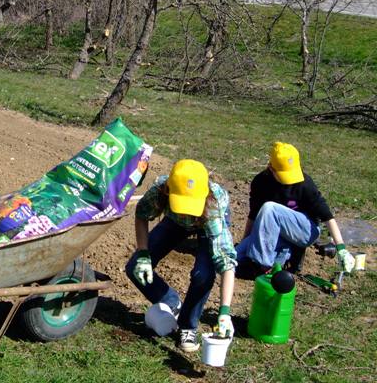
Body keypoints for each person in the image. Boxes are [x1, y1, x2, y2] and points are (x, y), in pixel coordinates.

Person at [126, 159, 236, 353]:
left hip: (205, 221)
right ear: (169, 190)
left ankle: (187, 326)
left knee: (203, 275)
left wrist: (225, 313)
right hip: (175, 221)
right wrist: (143, 252)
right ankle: (171, 302)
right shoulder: (159, 190)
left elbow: (226, 261)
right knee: (135, 266)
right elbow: (141, 214)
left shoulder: (213, 205)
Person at [236, 141, 354, 277]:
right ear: (271, 168)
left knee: (269, 208)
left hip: (305, 230)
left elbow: (327, 216)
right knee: (235, 257)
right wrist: (246, 241)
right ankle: (287, 256)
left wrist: (341, 248)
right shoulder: (260, 183)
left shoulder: (305, 184)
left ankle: (260, 265)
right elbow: (254, 215)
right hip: (276, 230)